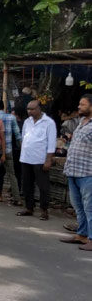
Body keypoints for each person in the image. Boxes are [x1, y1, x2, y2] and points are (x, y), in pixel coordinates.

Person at [60, 94, 92, 250]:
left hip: (88, 173)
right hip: (73, 170)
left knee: (89, 207)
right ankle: (82, 234)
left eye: (82, 104)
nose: (79, 107)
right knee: (78, 206)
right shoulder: (81, 123)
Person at [16, 100, 57, 220]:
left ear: (39, 109)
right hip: (26, 158)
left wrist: (48, 160)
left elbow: (51, 143)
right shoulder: (27, 122)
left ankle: (44, 210)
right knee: (27, 185)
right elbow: (23, 137)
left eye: (32, 109)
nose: (29, 111)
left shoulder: (49, 123)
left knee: (43, 186)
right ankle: (29, 207)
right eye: (28, 109)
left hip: (40, 159)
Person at [0, 100, 23, 206]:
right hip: (8, 150)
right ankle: (17, 198)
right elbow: (18, 134)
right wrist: (21, 148)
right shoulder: (12, 117)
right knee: (12, 175)